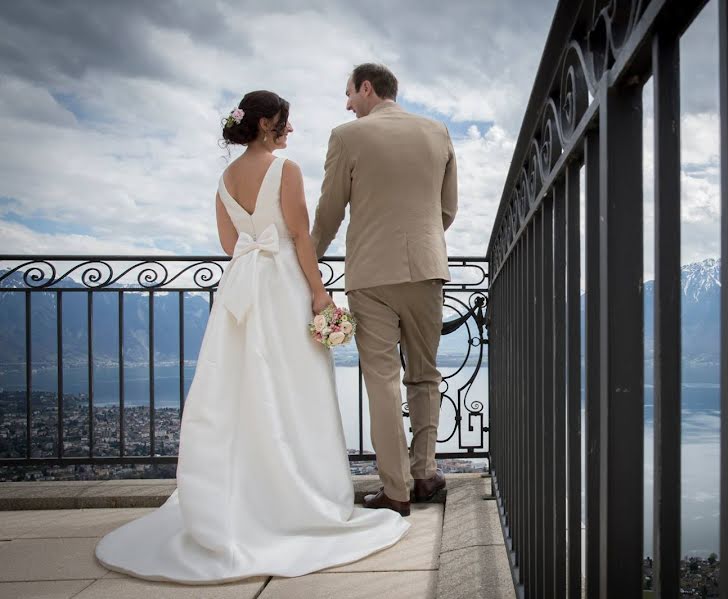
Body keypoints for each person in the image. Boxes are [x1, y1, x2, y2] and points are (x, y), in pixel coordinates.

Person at [94, 90, 409, 584]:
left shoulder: (224, 179)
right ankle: (300, 496)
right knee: (295, 385)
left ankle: (244, 493)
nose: (291, 131)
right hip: (281, 285)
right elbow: (302, 236)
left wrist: (256, 247)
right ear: (266, 124)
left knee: (239, 387)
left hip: (241, 288)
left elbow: (228, 244)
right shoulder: (284, 169)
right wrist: (320, 292)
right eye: (286, 122)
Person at [311, 64, 458, 516]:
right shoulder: (438, 132)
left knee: (381, 382)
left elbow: (331, 211)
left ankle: (395, 492)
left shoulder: (346, 137)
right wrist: (423, 242)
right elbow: (447, 210)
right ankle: (425, 474)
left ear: (367, 88)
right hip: (427, 270)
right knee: (425, 374)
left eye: (350, 93)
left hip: (371, 276)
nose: (347, 103)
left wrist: (308, 258)